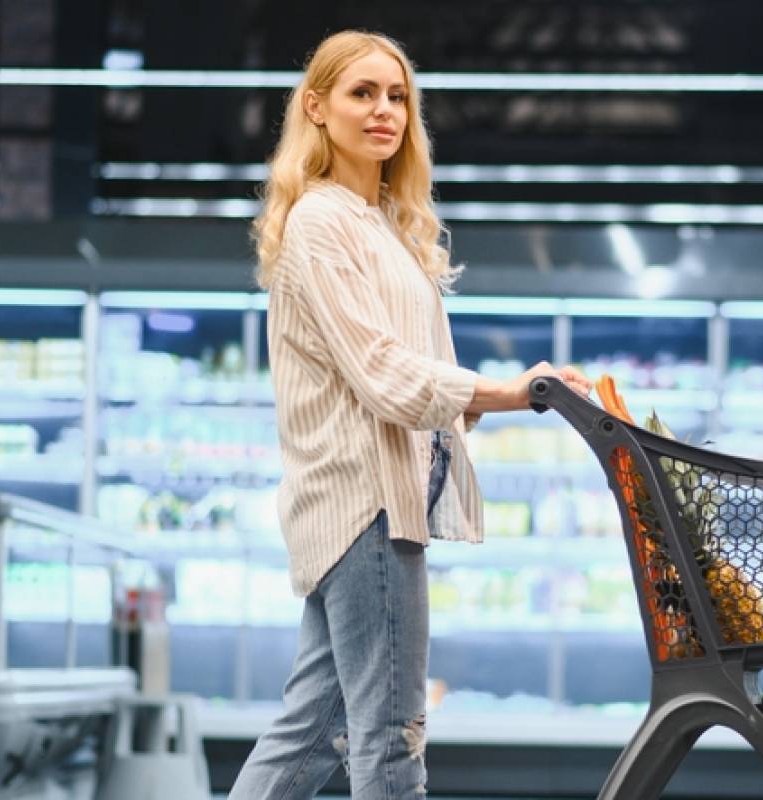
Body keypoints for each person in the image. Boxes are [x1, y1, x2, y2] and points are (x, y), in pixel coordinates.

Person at [230, 30, 591, 798]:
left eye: (397, 96)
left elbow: (403, 385)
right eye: (363, 94)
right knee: (391, 740)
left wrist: (474, 410)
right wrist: (512, 392)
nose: (384, 111)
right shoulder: (324, 222)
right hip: (365, 505)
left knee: (316, 729)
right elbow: (383, 375)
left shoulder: (381, 226)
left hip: (373, 505)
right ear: (316, 107)